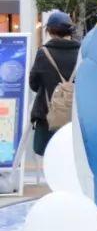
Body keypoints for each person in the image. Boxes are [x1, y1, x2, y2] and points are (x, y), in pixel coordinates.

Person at [28, 12, 80, 155]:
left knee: (48, 154)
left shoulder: (43, 53)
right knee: (72, 156)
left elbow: (34, 84)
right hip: (76, 117)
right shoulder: (82, 52)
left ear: (49, 30)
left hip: (48, 116)